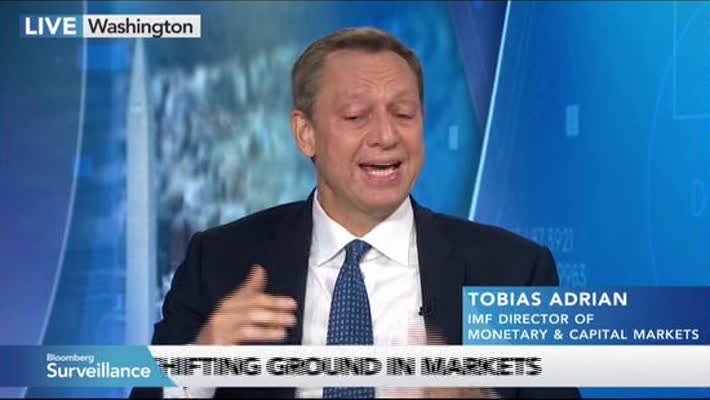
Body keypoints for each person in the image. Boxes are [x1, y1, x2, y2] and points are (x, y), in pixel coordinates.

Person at [131, 27, 580, 399]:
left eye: (403, 114)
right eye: (355, 116)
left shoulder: (512, 272)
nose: (386, 135)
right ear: (305, 134)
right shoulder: (220, 262)